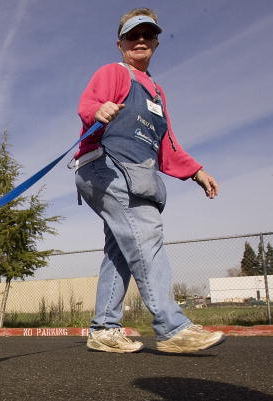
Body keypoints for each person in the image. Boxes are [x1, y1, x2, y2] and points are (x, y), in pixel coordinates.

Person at [73, 8, 225, 353]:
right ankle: (172, 327)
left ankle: (104, 330)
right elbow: (89, 102)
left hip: (137, 172)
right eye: (132, 35)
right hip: (105, 168)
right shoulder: (114, 72)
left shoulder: (156, 92)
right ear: (120, 43)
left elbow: (167, 145)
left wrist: (197, 171)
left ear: (156, 41)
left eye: (147, 34)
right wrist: (98, 111)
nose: (140, 40)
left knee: (122, 248)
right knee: (146, 231)